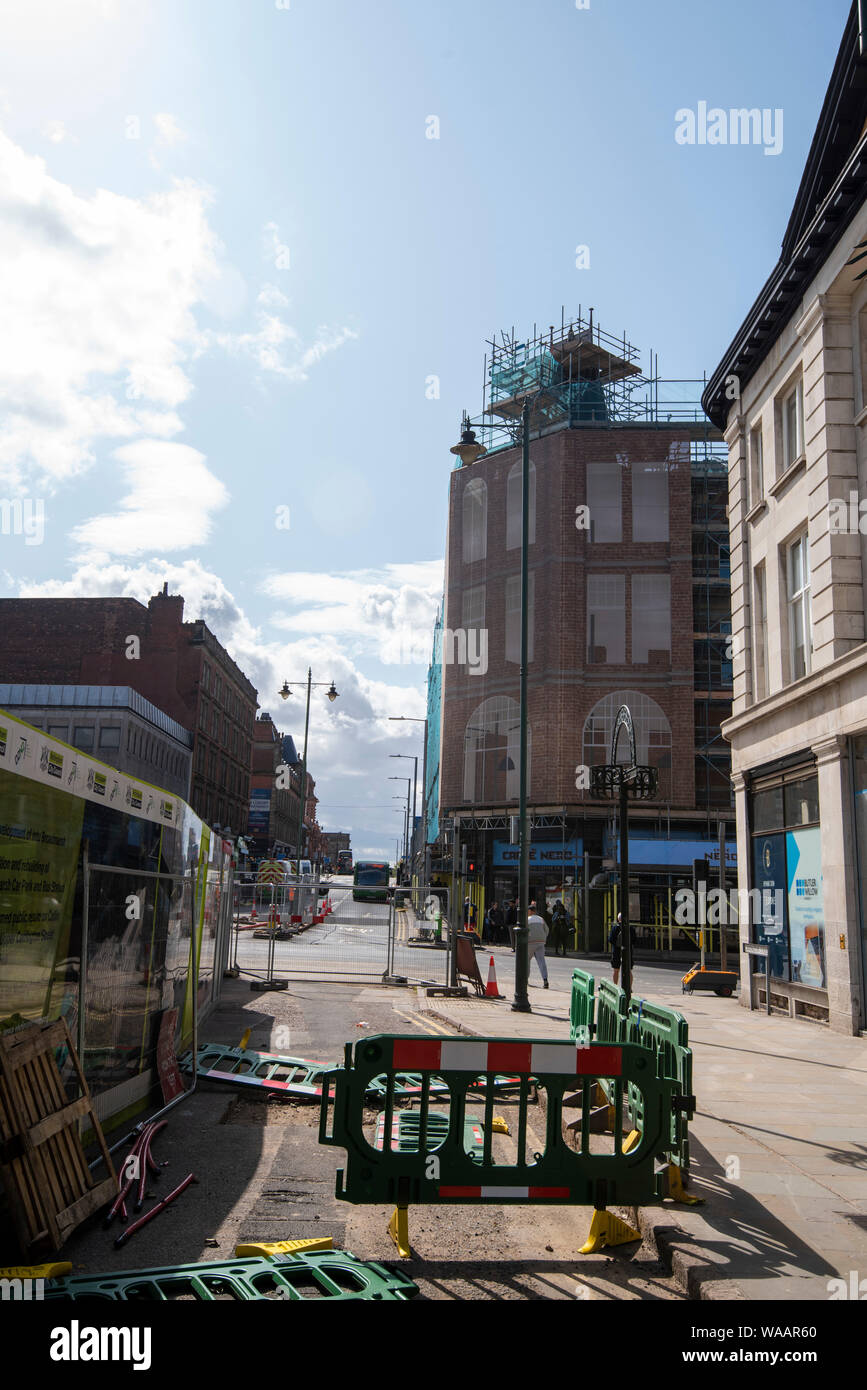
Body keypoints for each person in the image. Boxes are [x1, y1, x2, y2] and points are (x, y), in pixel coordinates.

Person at [609, 911, 636, 985]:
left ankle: (615, 986)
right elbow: (634, 940)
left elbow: (611, 939)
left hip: (616, 951)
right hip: (628, 951)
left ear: (618, 919)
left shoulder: (615, 928)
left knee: (616, 970)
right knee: (628, 971)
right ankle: (629, 988)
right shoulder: (630, 928)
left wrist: (617, 945)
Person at [526, 906, 549, 988]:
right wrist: (544, 938)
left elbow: (525, 931)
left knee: (527, 960)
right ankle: (545, 980)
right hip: (541, 942)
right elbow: (547, 930)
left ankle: (525, 979)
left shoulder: (527, 920)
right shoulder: (541, 919)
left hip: (530, 942)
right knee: (541, 961)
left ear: (530, 911)